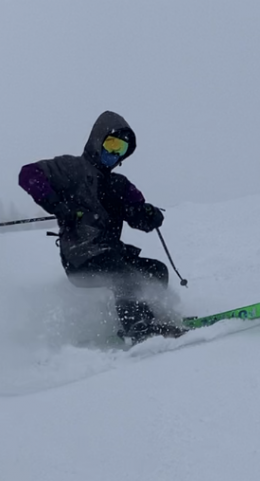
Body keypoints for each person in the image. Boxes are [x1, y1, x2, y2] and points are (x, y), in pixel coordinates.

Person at [18, 110, 182, 342]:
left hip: (111, 251)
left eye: (121, 149)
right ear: (98, 141)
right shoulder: (72, 168)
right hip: (81, 256)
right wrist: (57, 205)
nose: (114, 153)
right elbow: (28, 174)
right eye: (111, 144)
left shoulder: (120, 185)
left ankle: (157, 318)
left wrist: (149, 215)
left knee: (156, 271)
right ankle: (138, 328)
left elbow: (137, 214)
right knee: (124, 275)